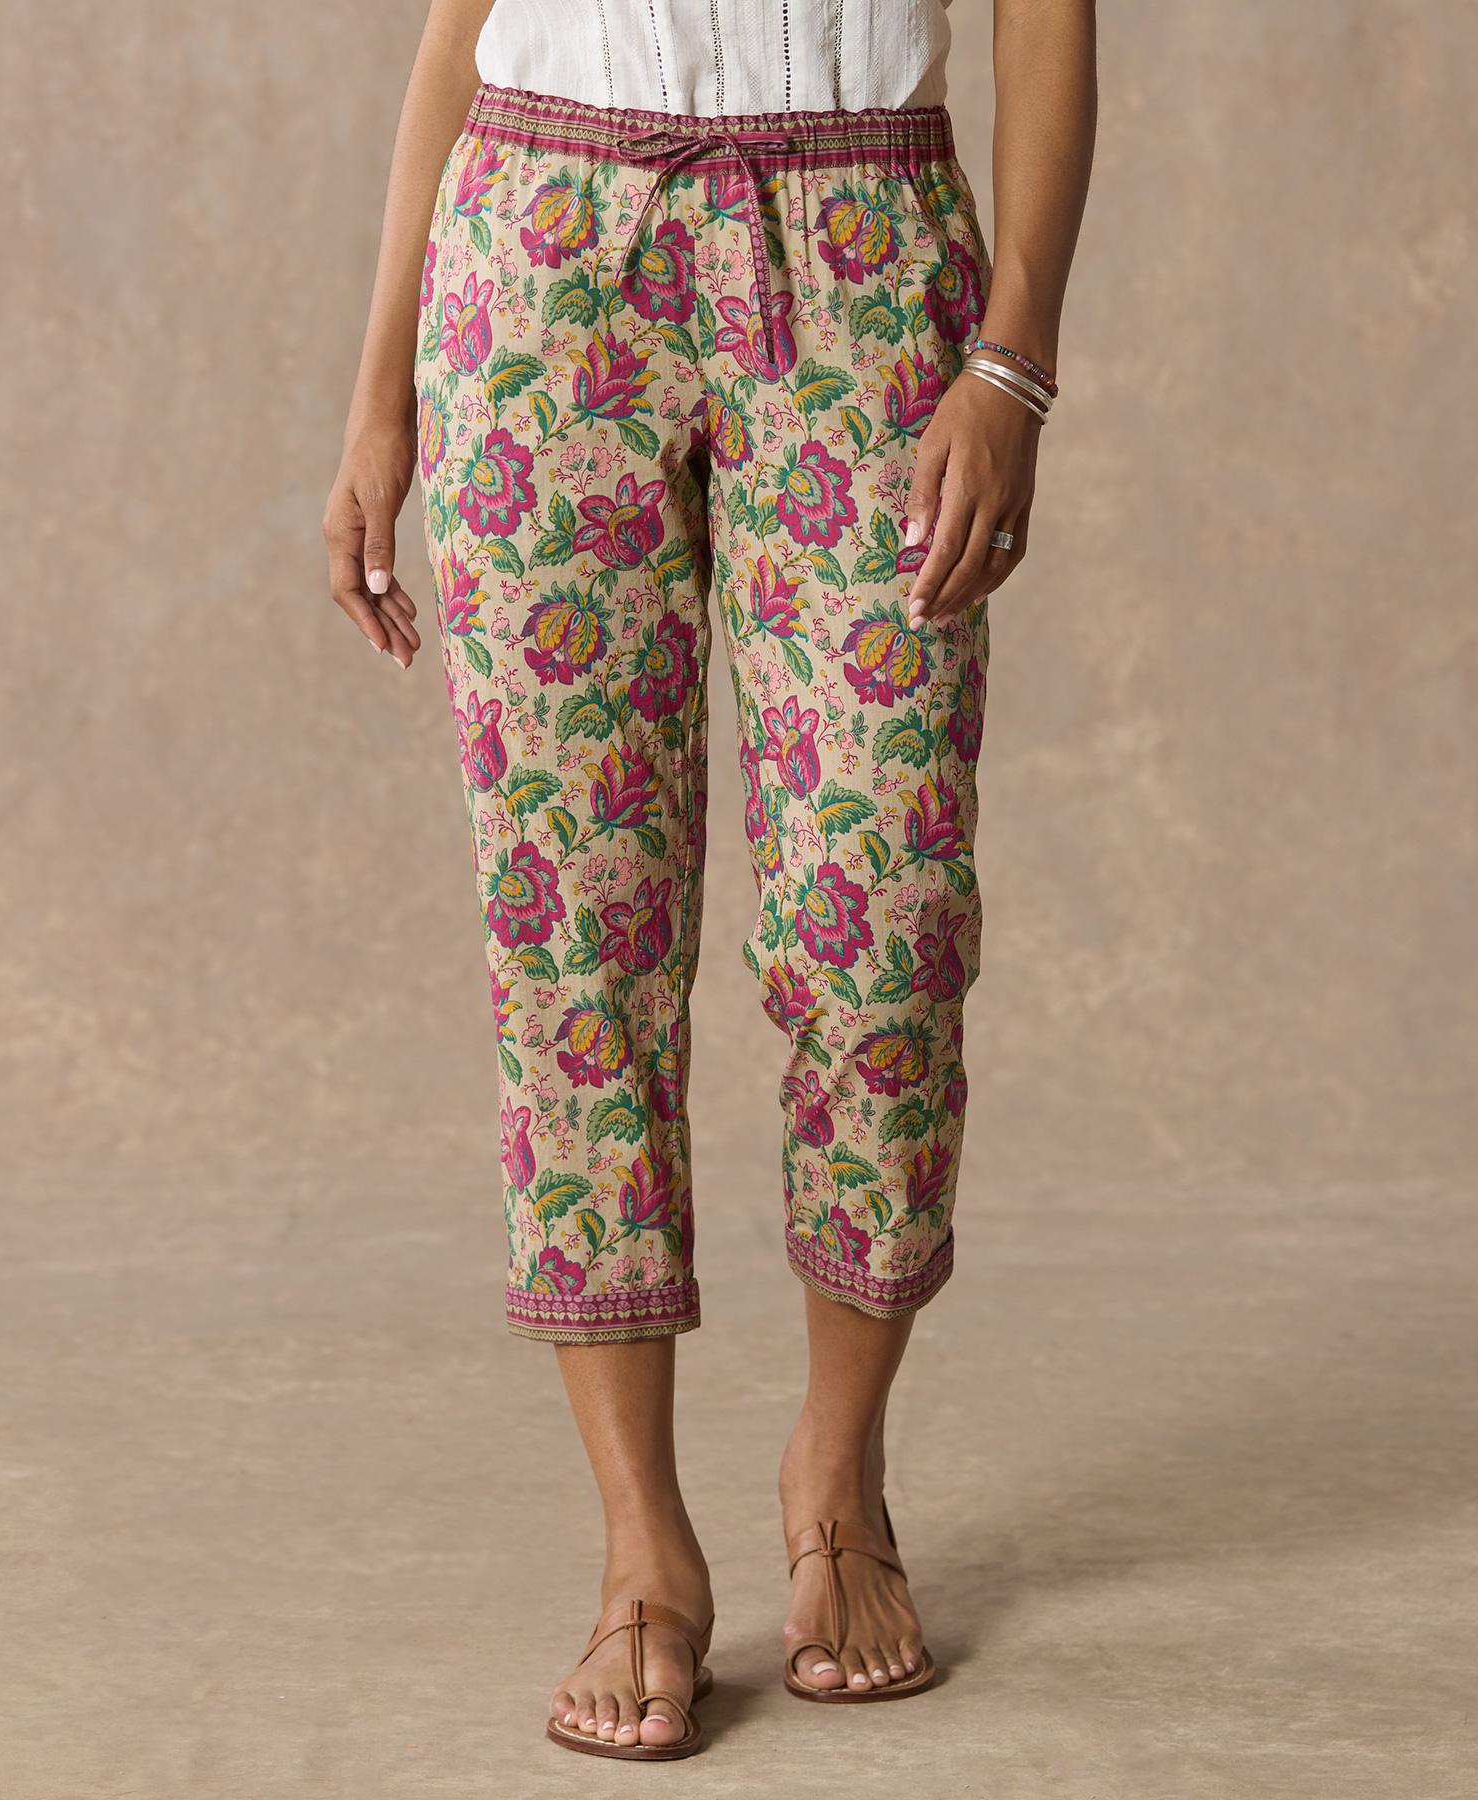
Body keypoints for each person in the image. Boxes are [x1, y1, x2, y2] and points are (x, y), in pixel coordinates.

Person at [323, 0, 1095, 1761]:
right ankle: (641, 1549)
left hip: (867, 256)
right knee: (572, 929)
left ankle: (840, 1469)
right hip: (537, 262)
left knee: (884, 917)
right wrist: (378, 394)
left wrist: (1012, 363)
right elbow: (459, 28)